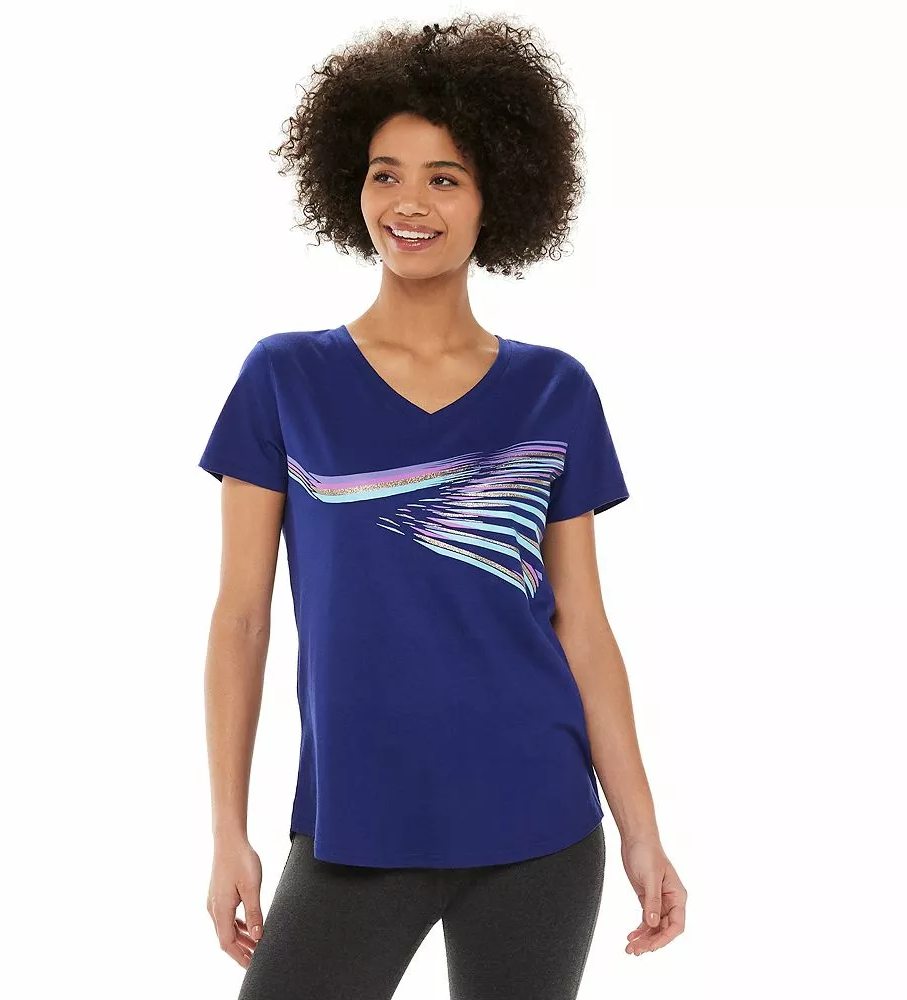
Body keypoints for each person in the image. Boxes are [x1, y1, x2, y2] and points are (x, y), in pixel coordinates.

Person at [199, 15, 686, 999]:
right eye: (385, 173)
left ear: (494, 196)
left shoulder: (554, 392)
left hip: (540, 830)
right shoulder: (284, 379)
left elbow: (583, 627)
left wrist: (643, 833)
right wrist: (227, 832)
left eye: (444, 178)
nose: (409, 203)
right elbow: (242, 618)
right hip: (354, 829)